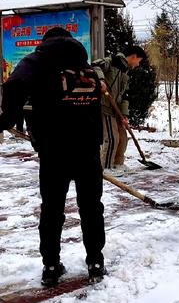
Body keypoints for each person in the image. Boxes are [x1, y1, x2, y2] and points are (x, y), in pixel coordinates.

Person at [0, 27, 106, 286]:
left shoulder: (37, 60)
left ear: (46, 41)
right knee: (91, 207)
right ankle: (95, 262)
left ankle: (50, 265)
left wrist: (7, 119)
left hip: (54, 150)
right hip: (88, 148)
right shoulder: (83, 62)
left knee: (53, 209)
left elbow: (14, 84)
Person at [93, 45, 146, 176]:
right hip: (105, 105)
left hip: (116, 109)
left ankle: (118, 163)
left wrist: (124, 114)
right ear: (133, 56)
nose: (138, 64)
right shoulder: (112, 61)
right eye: (139, 60)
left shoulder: (125, 71)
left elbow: (125, 94)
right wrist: (100, 80)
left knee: (122, 136)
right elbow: (94, 65)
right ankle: (105, 166)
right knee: (111, 137)